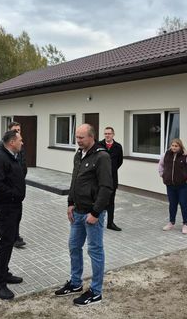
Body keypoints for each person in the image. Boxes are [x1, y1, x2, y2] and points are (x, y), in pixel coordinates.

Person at [54, 124, 113, 307]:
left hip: (91, 214)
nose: (78, 140)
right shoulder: (78, 154)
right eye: (76, 137)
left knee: (95, 251)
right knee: (74, 246)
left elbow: (106, 187)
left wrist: (95, 212)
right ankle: (75, 283)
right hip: (77, 212)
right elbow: (75, 180)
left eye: (81, 137)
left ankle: (96, 292)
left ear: (91, 137)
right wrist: (70, 203)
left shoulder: (102, 157)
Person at [0, 129, 26, 299]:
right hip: (6, 207)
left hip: (15, 205)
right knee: (5, 243)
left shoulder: (12, 156)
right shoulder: (0, 157)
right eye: (20, 140)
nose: (22, 142)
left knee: (10, 241)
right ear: (12, 142)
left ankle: (5, 273)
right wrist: (13, 194)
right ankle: (0, 284)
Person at [0, 121, 27, 248]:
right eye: (15, 130)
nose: (17, 132)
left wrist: (21, 177)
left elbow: (22, 162)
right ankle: (9, 237)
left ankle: (15, 236)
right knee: (6, 218)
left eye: (19, 130)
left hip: (17, 190)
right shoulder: (0, 147)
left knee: (17, 216)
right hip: (7, 193)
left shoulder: (20, 145)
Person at [158, 138, 187, 235]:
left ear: (180, 146)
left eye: (176, 146)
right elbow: (161, 165)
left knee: (184, 204)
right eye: (172, 145)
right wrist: (162, 174)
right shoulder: (166, 155)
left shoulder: (186, 156)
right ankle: (171, 222)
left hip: (183, 185)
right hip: (170, 185)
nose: (174, 147)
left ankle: (185, 224)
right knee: (172, 204)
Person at [98, 126, 124, 231]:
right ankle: (98, 221)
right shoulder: (99, 145)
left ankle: (110, 223)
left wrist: (111, 169)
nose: (107, 135)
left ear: (113, 134)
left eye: (109, 133)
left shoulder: (118, 147)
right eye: (105, 134)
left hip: (112, 178)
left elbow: (120, 161)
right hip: (100, 178)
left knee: (111, 201)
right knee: (99, 200)